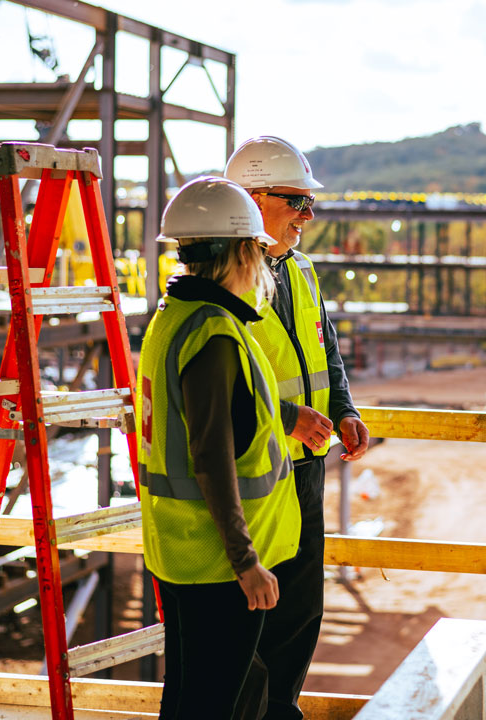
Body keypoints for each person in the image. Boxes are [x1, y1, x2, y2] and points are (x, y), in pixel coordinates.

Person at [136, 176, 301, 720]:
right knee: (210, 703)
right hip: (217, 564)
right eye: (255, 249)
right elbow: (210, 453)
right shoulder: (215, 334)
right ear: (238, 251)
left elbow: (214, 422)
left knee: (191, 693)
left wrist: (291, 417)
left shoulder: (173, 317)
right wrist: (246, 561)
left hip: (179, 549)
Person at [224, 135, 370, 720]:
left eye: (310, 203)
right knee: (250, 615)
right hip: (256, 472)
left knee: (302, 607)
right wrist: (287, 418)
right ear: (254, 197)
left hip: (306, 471)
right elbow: (218, 380)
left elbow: (323, 351)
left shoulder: (301, 271)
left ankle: (281, 712)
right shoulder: (223, 275)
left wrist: (345, 411)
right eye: (296, 202)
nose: (308, 216)